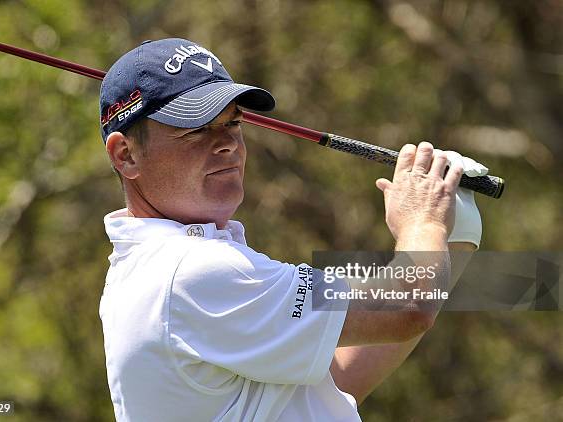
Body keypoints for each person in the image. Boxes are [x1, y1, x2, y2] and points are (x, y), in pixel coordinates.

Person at [98, 38, 487, 422]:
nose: (227, 145)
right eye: (196, 129)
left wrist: (451, 241)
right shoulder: (189, 272)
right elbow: (407, 304)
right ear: (126, 154)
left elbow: (336, 380)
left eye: (233, 123)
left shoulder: (156, 270)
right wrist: (424, 221)